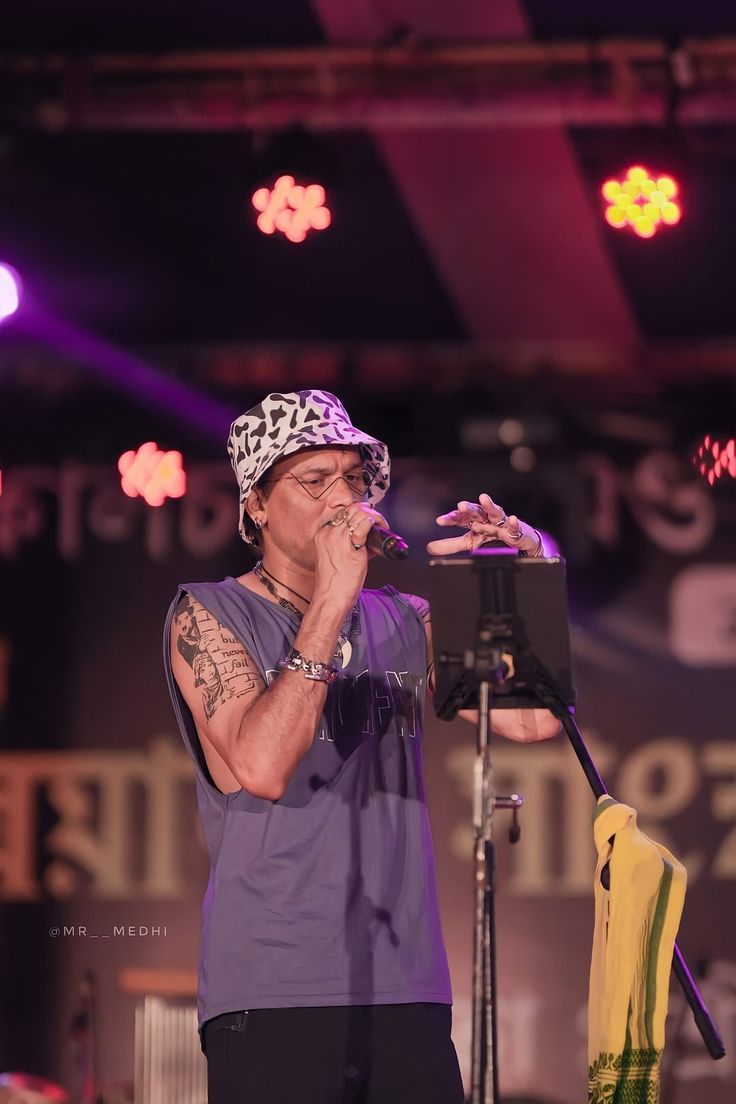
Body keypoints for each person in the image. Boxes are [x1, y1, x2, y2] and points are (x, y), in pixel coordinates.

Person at [163, 390, 560, 1104]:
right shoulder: (209, 612)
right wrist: (330, 604)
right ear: (255, 503)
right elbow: (261, 765)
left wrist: (525, 574)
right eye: (313, 481)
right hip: (274, 991)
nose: (341, 498)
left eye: (351, 477)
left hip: (405, 983)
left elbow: (533, 721)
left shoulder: (407, 618)